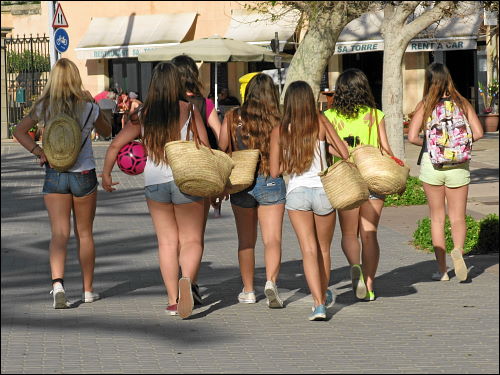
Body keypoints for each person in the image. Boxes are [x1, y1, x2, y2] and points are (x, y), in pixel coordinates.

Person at [101, 62, 209, 319]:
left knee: (167, 242)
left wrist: (106, 174)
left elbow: (116, 145)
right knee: (192, 239)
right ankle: (187, 280)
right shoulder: (189, 109)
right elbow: (204, 145)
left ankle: (173, 300)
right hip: (185, 179)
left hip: (154, 181)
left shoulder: (143, 114)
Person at [13, 58, 111, 309]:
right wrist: (95, 104)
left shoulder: (45, 106)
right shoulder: (89, 107)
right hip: (84, 173)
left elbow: (19, 131)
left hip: (54, 172)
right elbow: (108, 131)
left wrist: (38, 151)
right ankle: (88, 290)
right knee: (85, 233)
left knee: (59, 233)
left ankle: (58, 284)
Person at [269, 81, 349, 321]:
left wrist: (291, 162)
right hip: (323, 190)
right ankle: (323, 293)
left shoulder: (279, 131)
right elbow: (344, 152)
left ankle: (318, 304)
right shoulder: (321, 122)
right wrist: (324, 150)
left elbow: (274, 171)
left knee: (308, 250)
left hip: (297, 192)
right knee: (324, 249)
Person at [324, 68, 395, 302]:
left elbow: (326, 147)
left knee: (348, 233)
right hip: (373, 177)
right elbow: (385, 148)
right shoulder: (375, 115)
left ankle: (355, 265)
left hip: (346, 179)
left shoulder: (330, 116)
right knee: (370, 234)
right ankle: (370, 283)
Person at [408, 62, 483, 281]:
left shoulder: (426, 105)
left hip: (433, 165)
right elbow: (478, 133)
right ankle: (458, 251)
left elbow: (412, 137)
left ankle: (442, 271)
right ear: (449, 78)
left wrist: (433, 144)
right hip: (458, 166)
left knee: (437, 218)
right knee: (458, 218)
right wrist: (455, 145)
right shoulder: (462, 102)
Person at [219, 73, 286, 308]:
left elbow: (222, 149)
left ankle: (248, 290)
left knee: (246, 241)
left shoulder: (232, 116)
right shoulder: (278, 119)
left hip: (240, 183)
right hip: (270, 180)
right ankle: (271, 282)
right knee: (272, 239)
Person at [171, 55, 225, 305]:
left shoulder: (166, 103)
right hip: (198, 173)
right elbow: (219, 133)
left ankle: (179, 282)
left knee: (176, 236)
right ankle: (190, 281)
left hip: (169, 172)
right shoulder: (205, 104)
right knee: (195, 235)